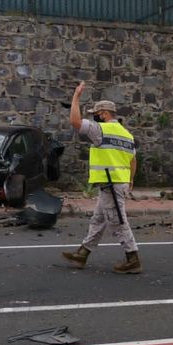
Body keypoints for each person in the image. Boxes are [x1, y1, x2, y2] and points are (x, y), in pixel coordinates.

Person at [61, 81, 142, 274]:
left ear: (104, 114)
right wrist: (130, 180)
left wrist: (76, 96)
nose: (94, 118)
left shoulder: (101, 130)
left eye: (96, 114)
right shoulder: (127, 135)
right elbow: (133, 161)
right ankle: (82, 253)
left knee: (117, 221)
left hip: (110, 183)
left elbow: (75, 122)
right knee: (98, 219)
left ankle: (133, 258)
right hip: (118, 183)